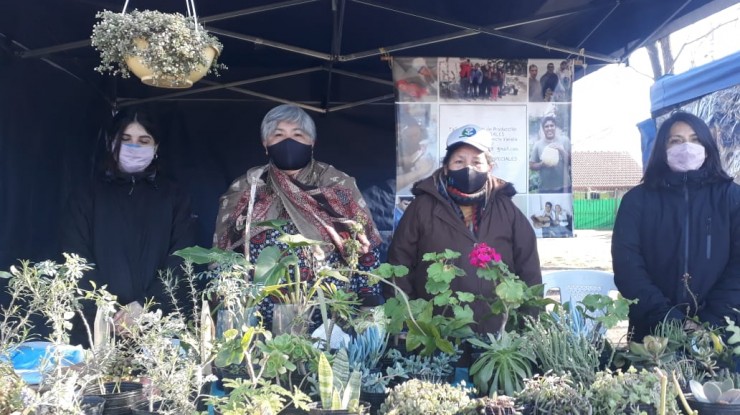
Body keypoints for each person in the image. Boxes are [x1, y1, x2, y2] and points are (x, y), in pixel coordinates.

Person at [213, 104, 383, 330]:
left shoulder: (335, 184)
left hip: (327, 309)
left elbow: (365, 245)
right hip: (259, 310)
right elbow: (223, 250)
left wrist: (368, 299)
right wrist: (225, 298)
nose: (288, 141)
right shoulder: (248, 186)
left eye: (297, 134)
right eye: (278, 135)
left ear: (312, 142)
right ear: (265, 144)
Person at [387, 124, 541, 335]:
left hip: (498, 332)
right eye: (459, 161)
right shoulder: (421, 207)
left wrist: (529, 324)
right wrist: (408, 322)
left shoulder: (507, 209)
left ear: (490, 167)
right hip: (436, 332)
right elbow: (399, 263)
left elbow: (529, 267)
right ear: (446, 167)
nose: (468, 169)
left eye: (477, 162)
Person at [61, 109, 197, 346]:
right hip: (97, 327)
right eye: (126, 140)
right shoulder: (87, 194)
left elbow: (182, 257)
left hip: (157, 325)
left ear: (156, 147)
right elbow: (76, 255)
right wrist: (108, 310)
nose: (134, 147)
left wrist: (146, 305)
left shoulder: (173, 196)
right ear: (110, 142)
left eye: (143, 141)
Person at [612, 111, 740, 342]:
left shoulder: (731, 198)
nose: (687, 147)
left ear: (707, 146)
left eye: (695, 139)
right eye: (676, 141)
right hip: (652, 334)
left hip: (721, 334)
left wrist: (711, 321)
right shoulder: (637, 200)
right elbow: (628, 268)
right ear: (663, 149)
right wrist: (670, 320)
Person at [529, 116, 572, 193]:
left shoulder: (565, 140)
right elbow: (531, 165)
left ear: (555, 127)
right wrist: (542, 164)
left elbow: (571, 162)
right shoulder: (538, 145)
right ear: (543, 129)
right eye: (546, 126)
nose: (549, 128)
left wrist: (561, 150)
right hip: (545, 189)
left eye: (552, 125)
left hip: (565, 188)